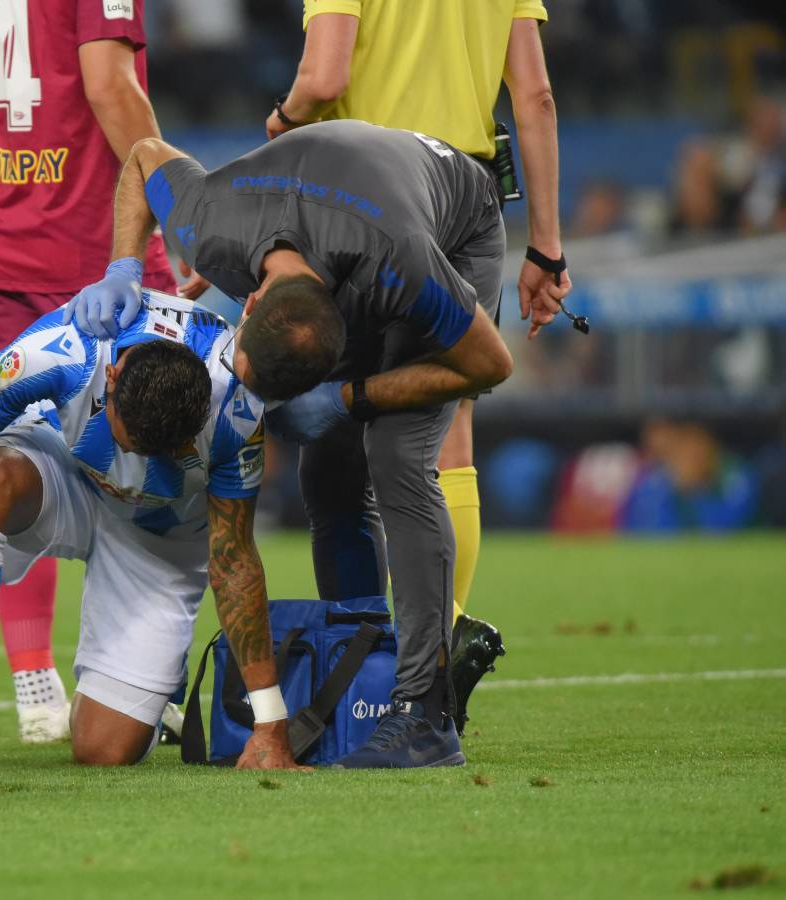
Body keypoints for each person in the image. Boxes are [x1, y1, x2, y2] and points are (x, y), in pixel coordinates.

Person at [65, 123, 514, 767]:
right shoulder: (207, 225)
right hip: (342, 219)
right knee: (328, 467)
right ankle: (356, 666)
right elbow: (142, 157)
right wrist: (124, 268)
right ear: (248, 302)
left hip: (451, 223)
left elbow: (490, 366)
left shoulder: (404, 266)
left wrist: (348, 398)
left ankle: (425, 713)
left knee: (395, 459)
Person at [261, 0, 571, 730]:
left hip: (364, 196)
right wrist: (547, 248)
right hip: (468, 204)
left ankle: (371, 669)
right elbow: (536, 97)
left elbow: (324, 72)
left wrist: (281, 121)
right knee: (442, 434)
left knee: (340, 453)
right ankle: (440, 648)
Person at [0, 289, 329, 776]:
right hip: (66, 473)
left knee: (103, 750)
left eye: (161, 454)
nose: (136, 466)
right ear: (110, 379)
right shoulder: (56, 352)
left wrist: (270, 721)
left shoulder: (237, 415)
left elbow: (234, 559)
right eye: (128, 443)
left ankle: (154, 702)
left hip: (161, 541)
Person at [0, 0, 191, 744]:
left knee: (21, 451)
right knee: (150, 446)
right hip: (103, 251)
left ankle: (32, 680)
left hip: (4, 248)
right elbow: (110, 87)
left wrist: (8, 194)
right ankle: (148, 680)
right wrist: (171, 210)